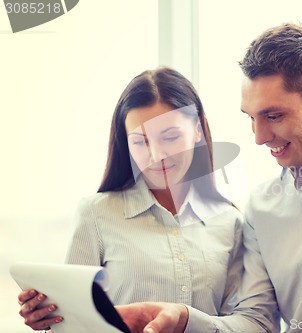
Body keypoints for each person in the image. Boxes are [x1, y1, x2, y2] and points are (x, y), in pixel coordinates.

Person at [110, 23, 302, 333]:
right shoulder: (262, 209)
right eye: (251, 118)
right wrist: (185, 319)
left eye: (273, 116)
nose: (259, 137)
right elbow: (257, 322)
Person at [16, 67, 244, 332]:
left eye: (170, 137)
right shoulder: (96, 215)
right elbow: (75, 325)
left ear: (196, 130)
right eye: (139, 142)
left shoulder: (231, 222)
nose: (156, 154)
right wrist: (50, 320)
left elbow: (242, 324)